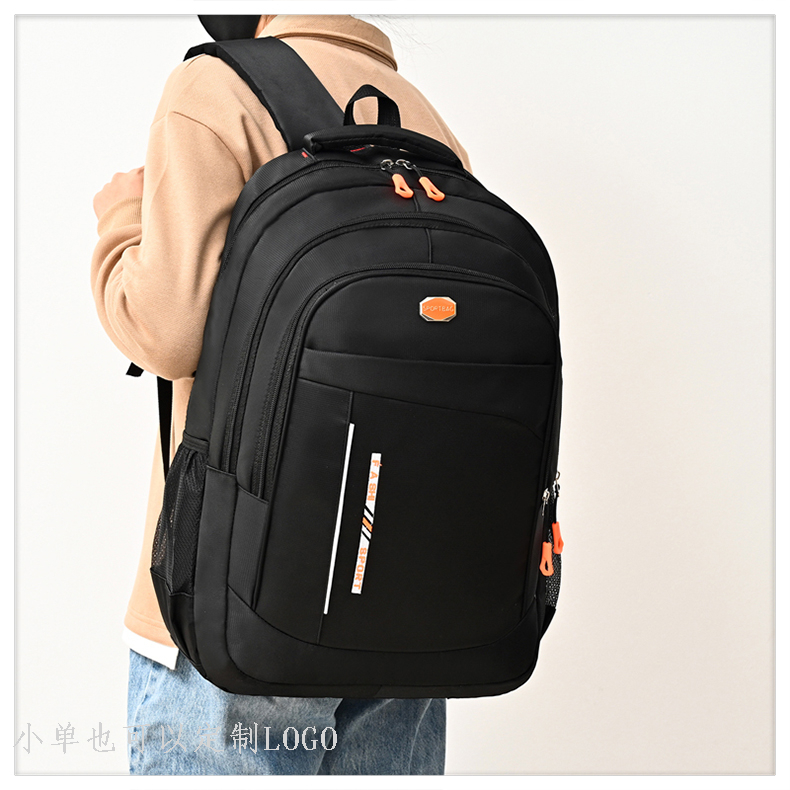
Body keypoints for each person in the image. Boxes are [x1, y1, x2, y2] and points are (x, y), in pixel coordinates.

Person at [90, 14, 471, 775]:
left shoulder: (217, 87)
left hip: (236, 598)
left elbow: (167, 330)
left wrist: (121, 221)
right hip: (405, 609)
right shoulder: (428, 126)